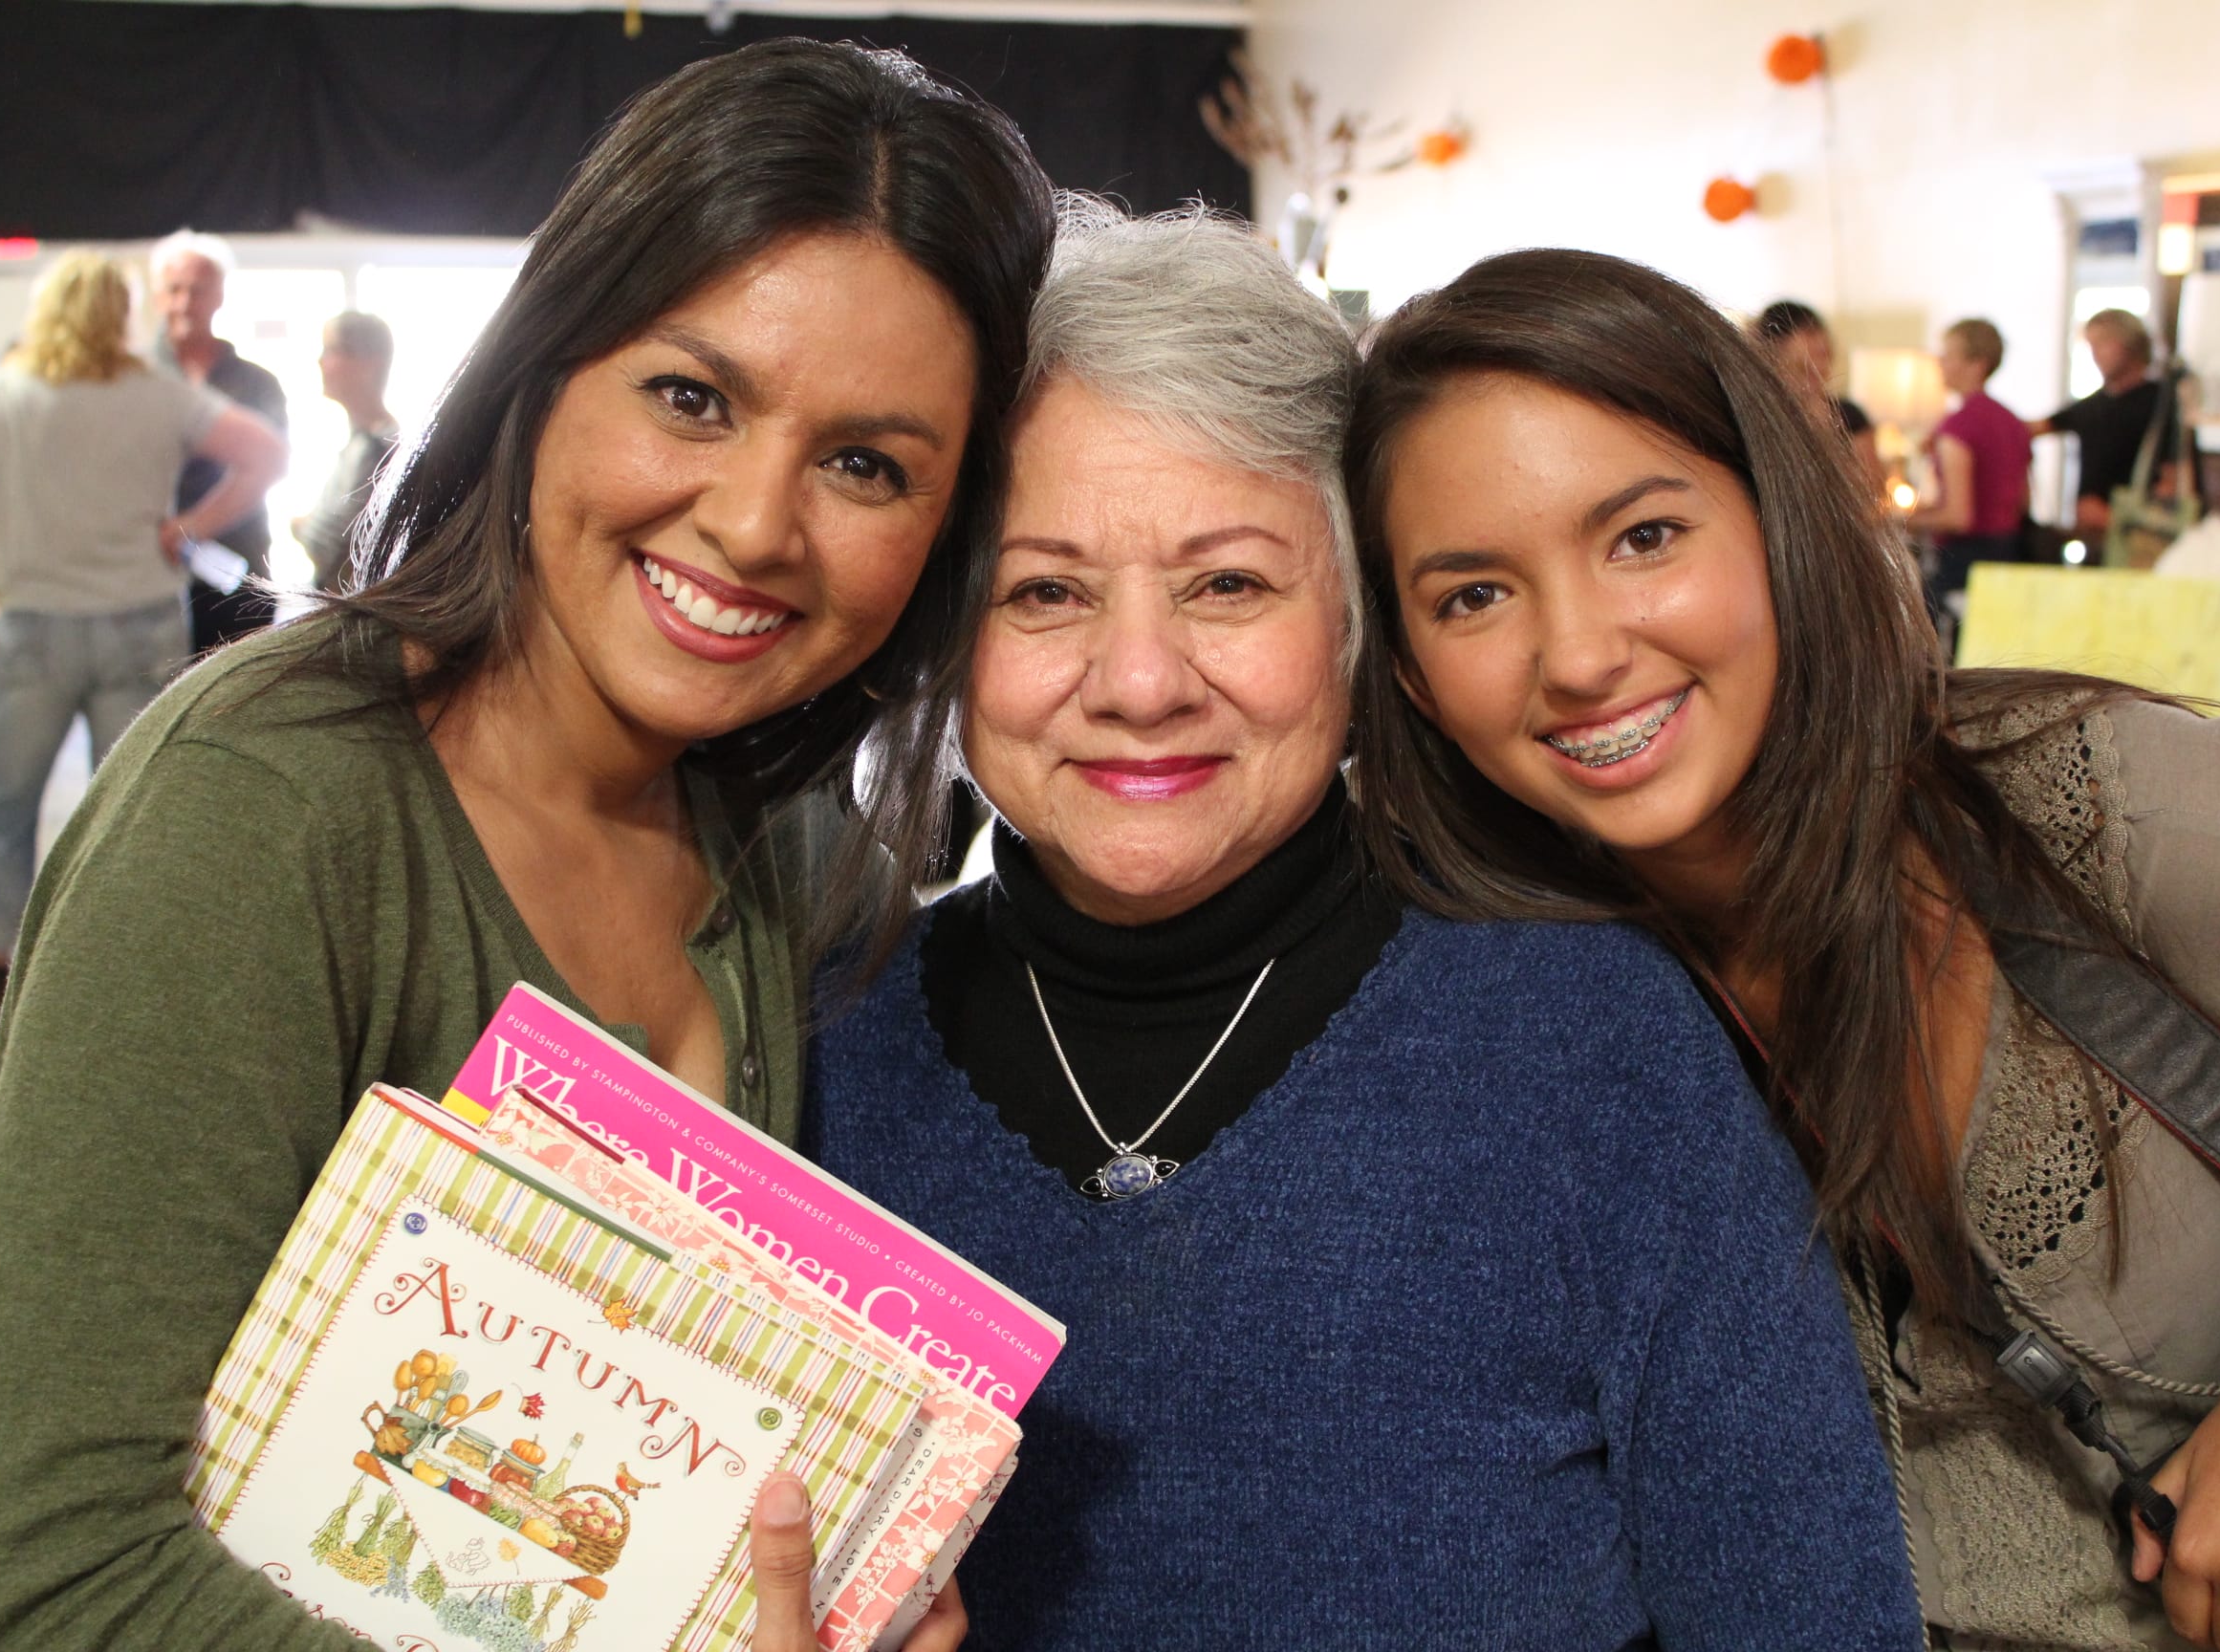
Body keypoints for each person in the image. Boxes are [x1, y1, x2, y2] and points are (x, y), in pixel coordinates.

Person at [0, 39, 1055, 1651]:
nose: (754, 522)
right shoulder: (263, 807)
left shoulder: (786, 841)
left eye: (866, 464)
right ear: (541, 371)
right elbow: (32, 1582)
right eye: (691, 396)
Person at [799, 206, 1923, 1650]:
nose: (1140, 681)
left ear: (1357, 626)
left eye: (1229, 583)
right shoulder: (815, 1058)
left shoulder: (1593, 1051)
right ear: (940, 636)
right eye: (1045, 592)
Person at [1345, 247, 2220, 1652]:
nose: (1581, 653)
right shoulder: (1494, 1001)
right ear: (1411, 672)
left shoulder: (2133, 823)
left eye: (1644, 537)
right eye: (1474, 594)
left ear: (1778, 523)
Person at [0, 250, 285, 1027]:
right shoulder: (159, 395)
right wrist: (191, 529)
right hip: (139, 623)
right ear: (124, 313)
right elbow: (265, 453)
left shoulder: (3, 393)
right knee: (128, 800)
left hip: (31, 624)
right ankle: (116, 962)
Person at [151, 228, 290, 651]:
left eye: (198, 290)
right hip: (150, 574)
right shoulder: (133, 380)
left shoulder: (257, 383)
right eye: (174, 289)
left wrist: (191, 528)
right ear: (158, 295)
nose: (184, 303)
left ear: (220, 296)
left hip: (237, 570)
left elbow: (272, 464)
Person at [1905, 315, 2032, 623]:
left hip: (1965, 563)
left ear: (1977, 364)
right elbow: (2022, 500)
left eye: (1949, 355)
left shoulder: (1959, 426)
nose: (1940, 363)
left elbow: (1959, 516)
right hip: (2008, 553)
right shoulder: (2012, 421)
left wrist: (1903, 518)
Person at [2033, 307, 2165, 536]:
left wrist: (2116, 519)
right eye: (2092, 346)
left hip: (2136, 536)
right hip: (2093, 536)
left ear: (2129, 343)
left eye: (2103, 343)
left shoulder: (2160, 404)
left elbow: (2174, 481)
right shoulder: (2094, 406)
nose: (2096, 354)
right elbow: (2037, 428)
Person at [292, 309, 399, 592]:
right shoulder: (362, 441)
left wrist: (302, 527)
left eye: (331, 350)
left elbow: (331, 545)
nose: (320, 361)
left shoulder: (379, 447)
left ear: (369, 363)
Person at [1755, 296, 1886, 498]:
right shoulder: (1758, 414)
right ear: (1776, 344)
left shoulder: (1849, 415)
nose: (1823, 341)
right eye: (1810, 333)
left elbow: (1874, 490)